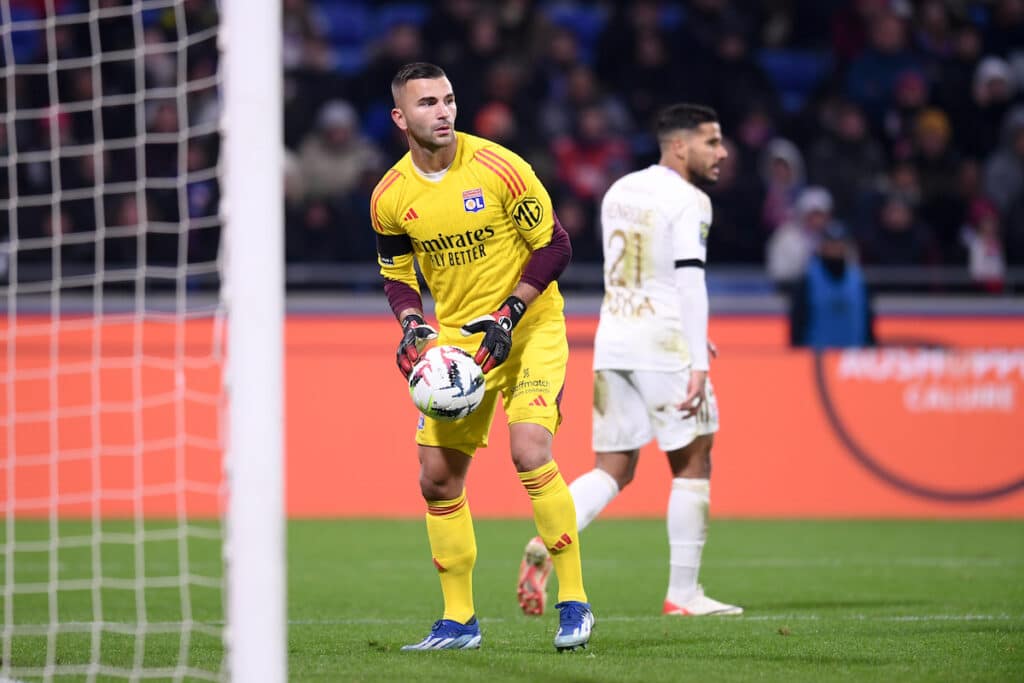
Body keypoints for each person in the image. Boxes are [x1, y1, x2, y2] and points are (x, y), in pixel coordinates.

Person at [370, 62, 594, 651]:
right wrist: (413, 325)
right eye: (427, 104)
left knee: (529, 450)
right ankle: (459, 621)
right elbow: (396, 276)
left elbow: (555, 243)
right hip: (460, 345)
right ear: (401, 117)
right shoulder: (391, 197)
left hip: (529, 329)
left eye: (448, 99)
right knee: (436, 480)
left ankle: (574, 602)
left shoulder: (500, 166)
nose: (443, 112)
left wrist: (511, 312)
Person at [517, 104, 743, 618]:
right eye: (712, 142)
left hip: (614, 338)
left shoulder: (620, 189)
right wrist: (697, 357)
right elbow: (687, 278)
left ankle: (547, 537)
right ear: (680, 145)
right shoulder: (691, 201)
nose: (722, 152)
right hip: (664, 344)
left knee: (613, 468)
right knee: (693, 460)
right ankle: (683, 595)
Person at [789, 222, 876, 349]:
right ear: (821, 246)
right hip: (817, 359)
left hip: (851, 360)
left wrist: (869, 347)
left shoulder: (858, 279)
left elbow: (868, 320)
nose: (835, 247)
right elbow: (798, 322)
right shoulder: (808, 280)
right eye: (830, 243)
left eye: (839, 243)